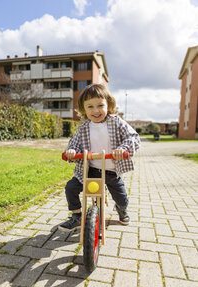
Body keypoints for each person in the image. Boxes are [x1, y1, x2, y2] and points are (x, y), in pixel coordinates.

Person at [59, 83, 140, 232]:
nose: (95, 111)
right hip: (89, 170)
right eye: (90, 107)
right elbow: (74, 143)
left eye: (100, 105)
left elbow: (132, 137)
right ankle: (76, 215)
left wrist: (122, 149)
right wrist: (71, 151)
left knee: (121, 198)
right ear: (83, 109)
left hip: (111, 171)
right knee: (71, 188)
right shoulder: (84, 127)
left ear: (108, 105)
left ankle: (121, 209)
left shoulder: (116, 122)